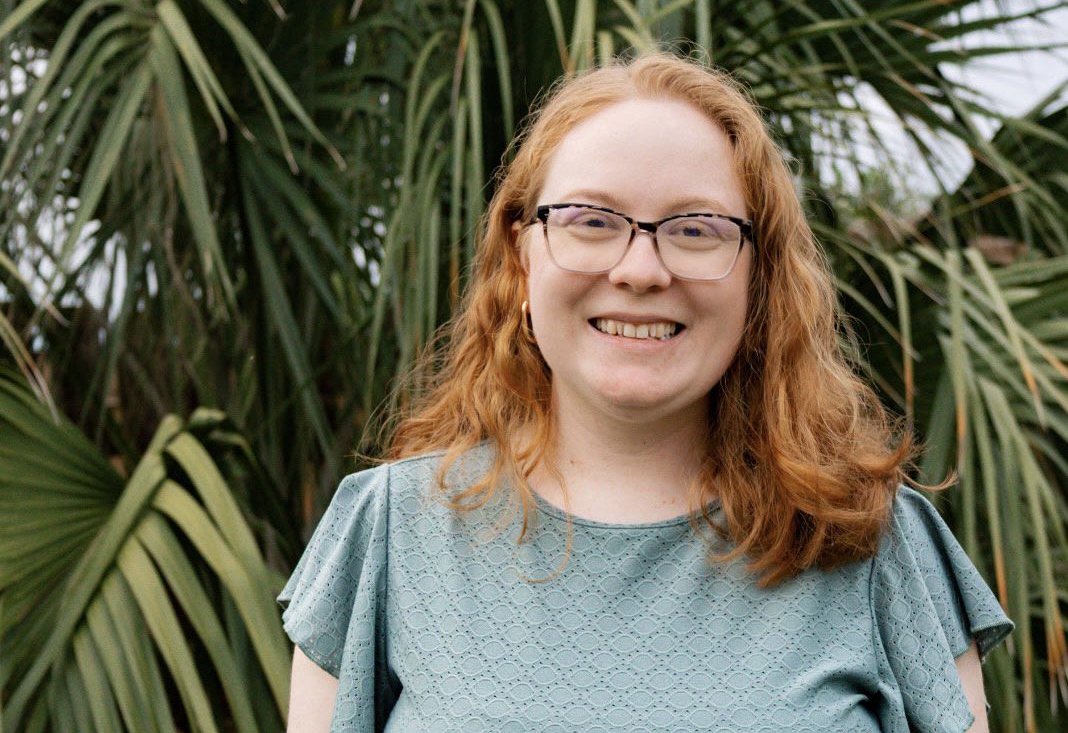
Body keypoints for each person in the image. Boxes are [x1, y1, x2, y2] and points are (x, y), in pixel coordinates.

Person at [278, 52, 1014, 732]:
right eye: (591, 221)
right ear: (521, 256)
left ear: (759, 279)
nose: (640, 270)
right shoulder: (391, 535)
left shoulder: (872, 543)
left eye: (695, 229)